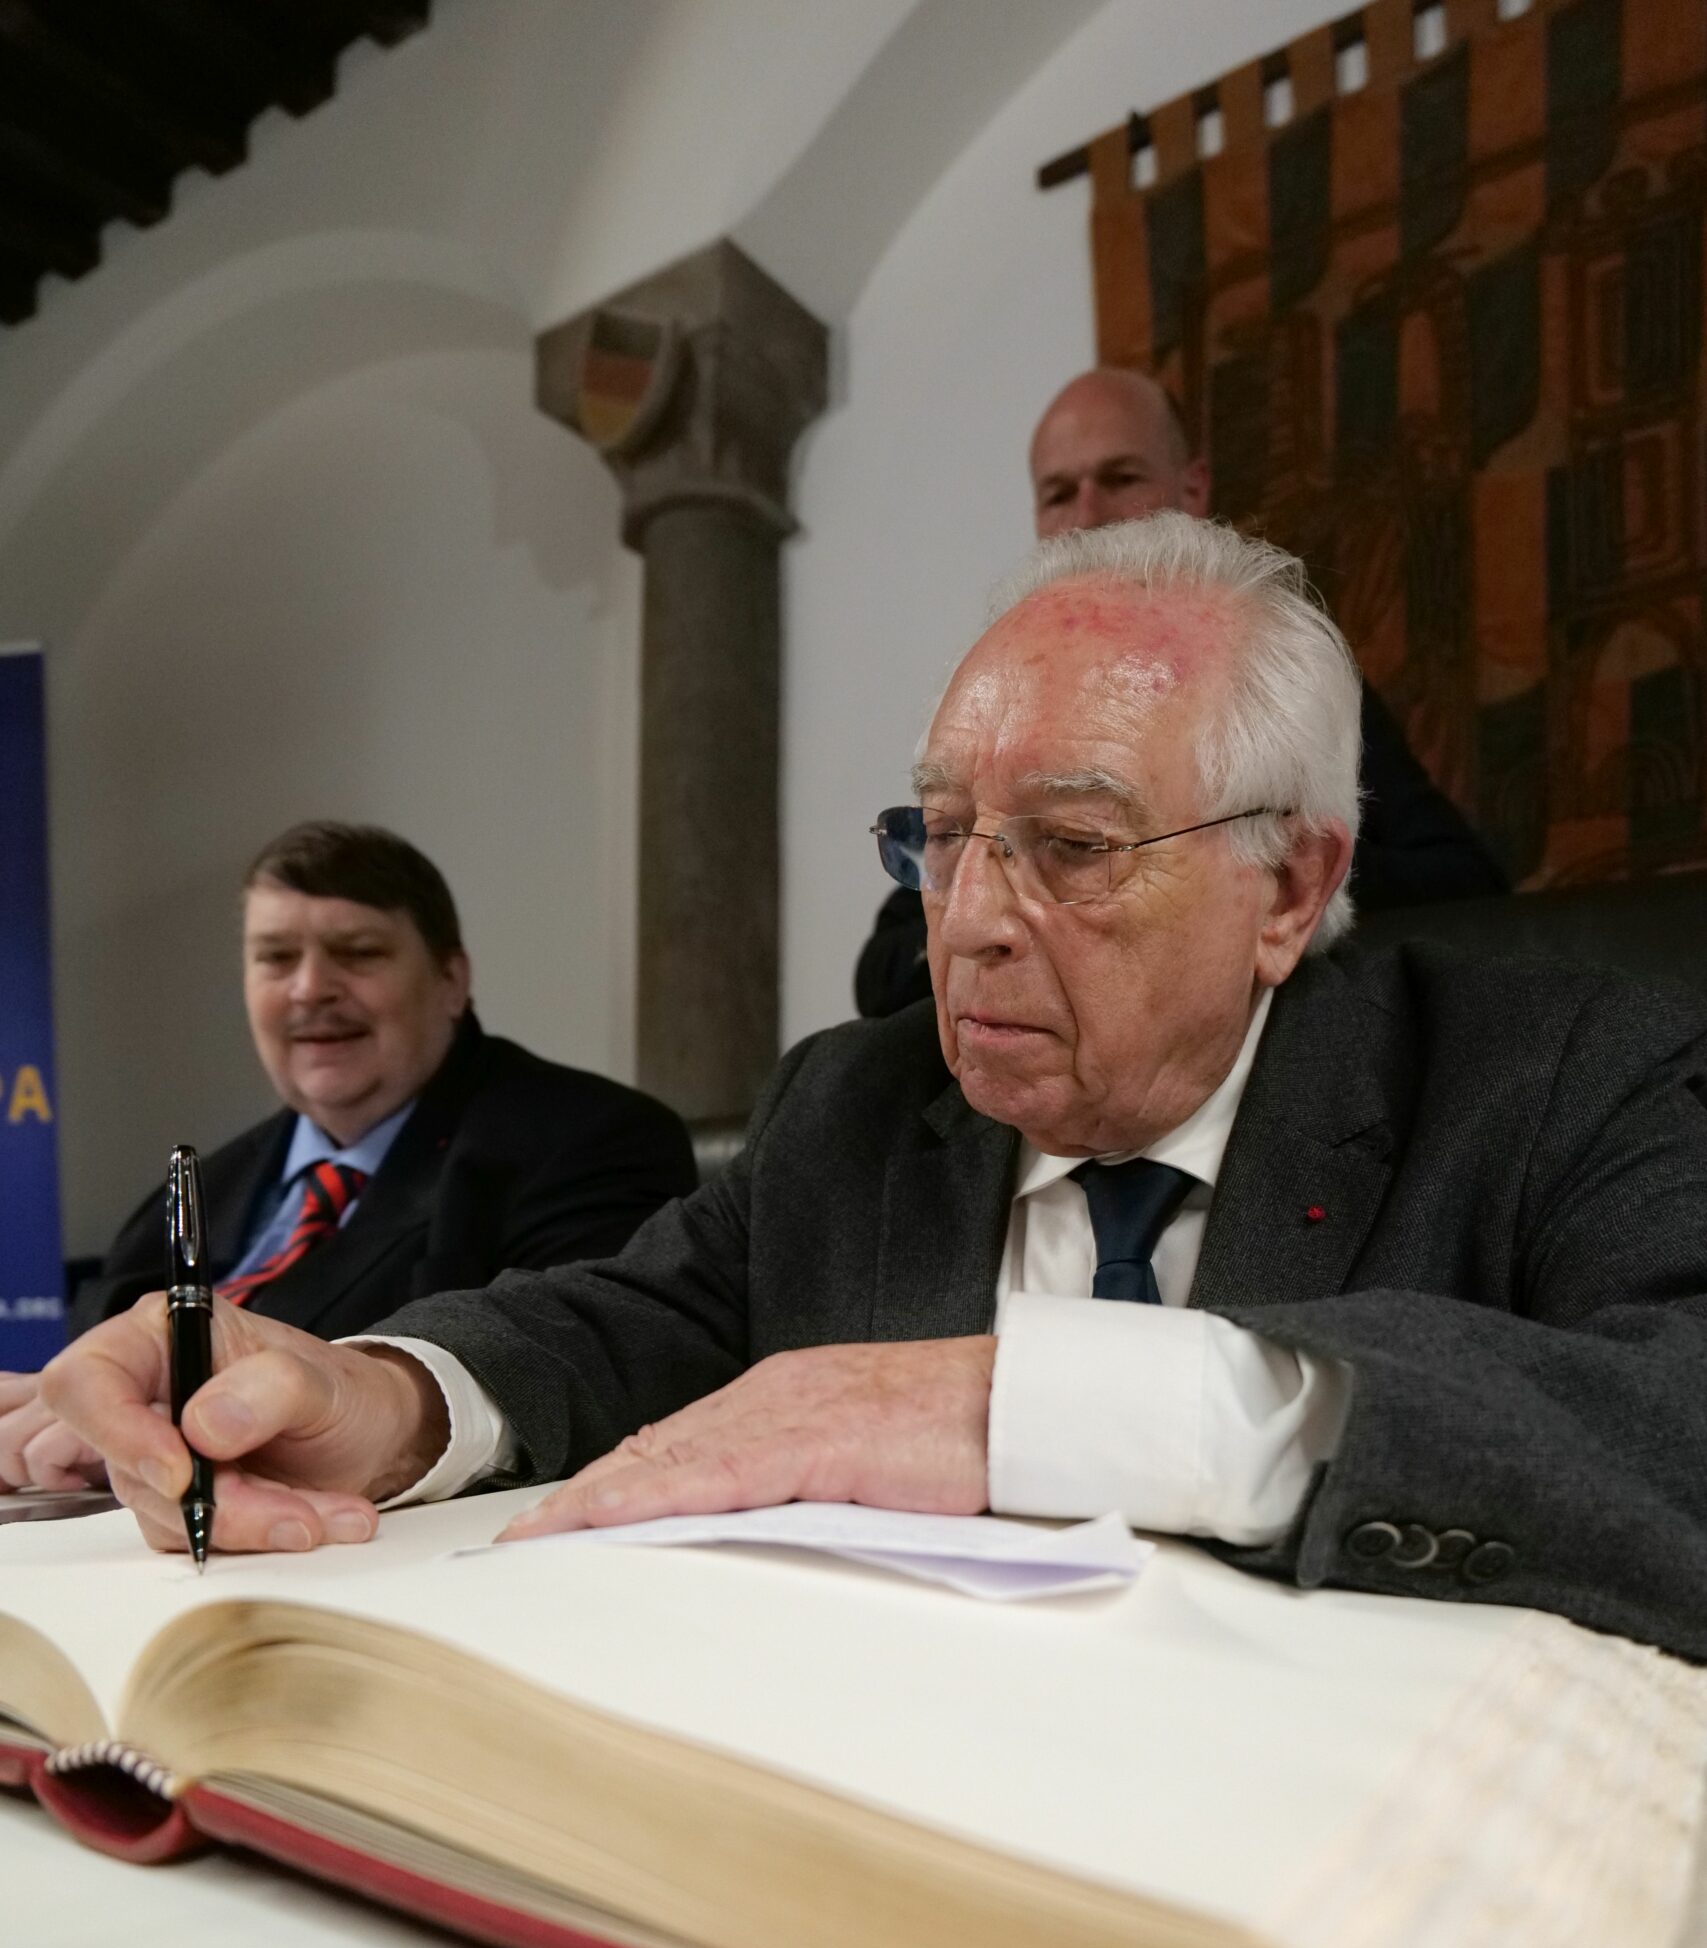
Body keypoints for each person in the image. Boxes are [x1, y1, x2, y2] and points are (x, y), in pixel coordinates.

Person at [34, 517, 1707, 1662]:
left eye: (1070, 846)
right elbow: (618, 1324)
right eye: (942, 835)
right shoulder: (855, 1101)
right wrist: (373, 1396)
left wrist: (1028, 1409)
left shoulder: (1562, 1077)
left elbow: (1672, 1427)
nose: (966, 922)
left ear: (1287, 887)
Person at [0, 820, 695, 1491]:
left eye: (358, 953)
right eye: (276, 958)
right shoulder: (200, 1184)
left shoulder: (589, 1141)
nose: (310, 989)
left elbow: (573, 1376)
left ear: (451, 981)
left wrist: (179, 1420)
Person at [856, 367, 1507, 1019]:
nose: (1088, 516)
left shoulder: (1274, 685)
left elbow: (1462, 881)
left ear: (1192, 488)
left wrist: (1245, 856)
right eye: (1058, 493)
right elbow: (883, 968)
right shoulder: (1005, 693)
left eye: (1120, 479)